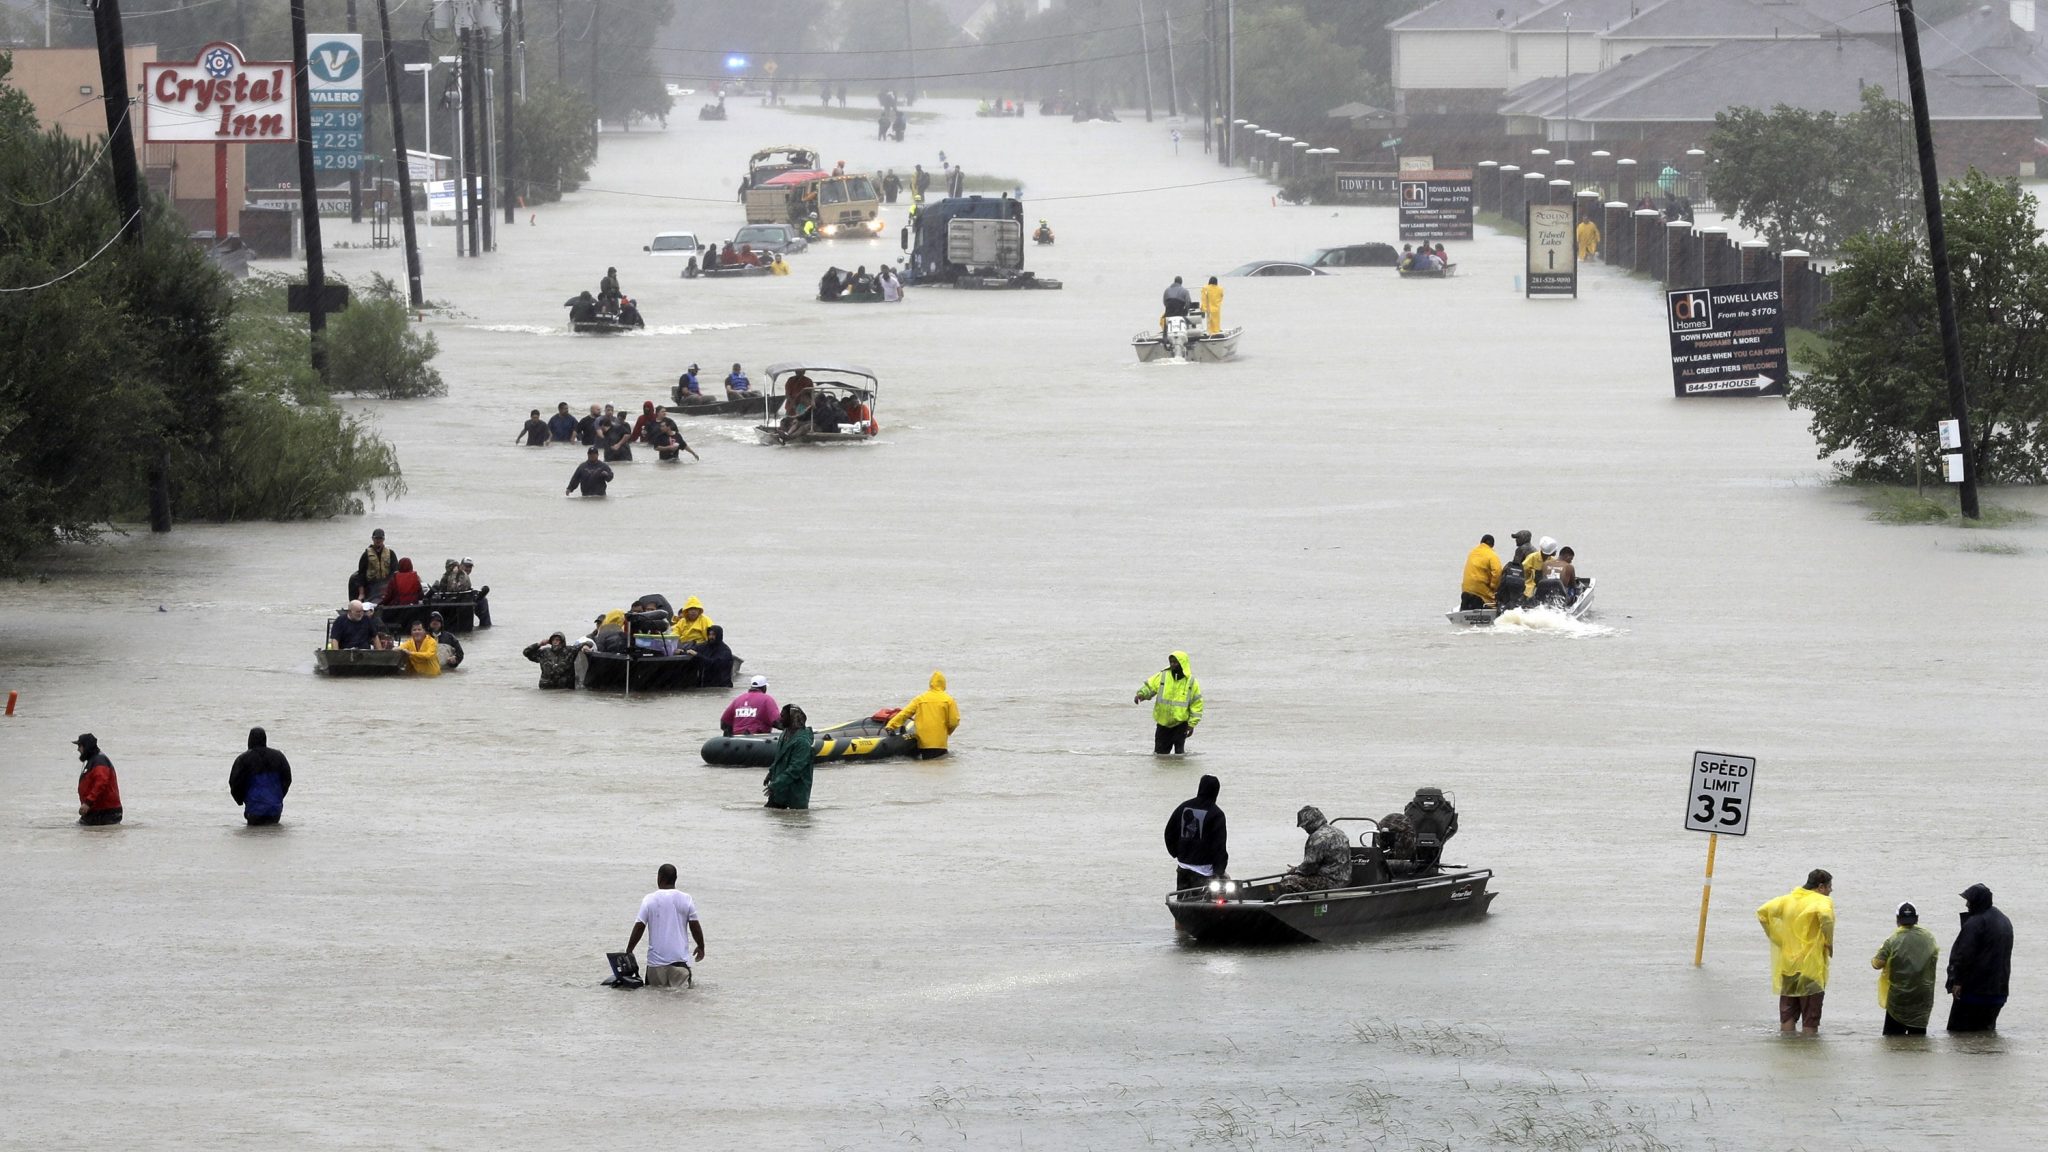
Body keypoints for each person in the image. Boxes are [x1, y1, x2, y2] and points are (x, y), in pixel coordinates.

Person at [1758, 869, 1835, 1032]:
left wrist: (1779, 939)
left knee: (1788, 1015)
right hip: (1811, 967)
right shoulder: (1822, 901)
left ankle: (1787, 1049)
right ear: (1821, 887)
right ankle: (1808, 1054)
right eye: (1829, 887)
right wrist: (1829, 942)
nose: (1831, 891)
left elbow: (1762, 913)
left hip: (1788, 965)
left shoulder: (1787, 899)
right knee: (1810, 1018)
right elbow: (1826, 917)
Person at [624, 864, 706, 988]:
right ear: (675, 878)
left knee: (655, 1002)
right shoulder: (686, 899)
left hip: (655, 965)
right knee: (682, 1003)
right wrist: (701, 946)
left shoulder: (649, 899)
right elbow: (695, 926)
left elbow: (639, 926)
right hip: (679, 963)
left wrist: (629, 951)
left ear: (659, 878)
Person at [1946, 883, 2014, 1032]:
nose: (1966, 904)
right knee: (1985, 1035)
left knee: (1958, 1037)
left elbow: (1964, 955)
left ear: (1976, 902)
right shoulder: (2004, 920)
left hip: (1974, 992)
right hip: (1999, 992)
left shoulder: (1975, 923)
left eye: (1969, 901)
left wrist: (1957, 982)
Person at [1871, 902, 1940, 1035]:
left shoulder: (1892, 940)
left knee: (1893, 1040)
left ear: (1897, 919)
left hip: (1899, 997)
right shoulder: (1929, 937)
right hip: (1923, 995)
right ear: (1917, 918)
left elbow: (1877, 964)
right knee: (1919, 1039)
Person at [1164, 774, 1228, 892]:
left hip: (1183, 866)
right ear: (1216, 792)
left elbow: (1169, 833)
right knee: (1207, 902)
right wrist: (1220, 871)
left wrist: (1176, 853)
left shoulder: (1183, 807)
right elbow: (1219, 846)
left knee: (1183, 899)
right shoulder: (1216, 814)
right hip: (1204, 871)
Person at [1135, 651, 1202, 755]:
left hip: (1181, 724)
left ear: (1183, 664)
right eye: (1171, 662)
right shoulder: (1163, 676)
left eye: (1176, 662)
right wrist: (1141, 694)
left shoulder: (1191, 682)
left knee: (1179, 756)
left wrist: (1192, 725)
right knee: (1160, 755)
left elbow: (1196, 704)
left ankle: (1179, 771)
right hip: (1163, 723)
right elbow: (1150, 688)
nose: (1173, 664)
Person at [884, 671, 960, 759]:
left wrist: (891, 725)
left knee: (925, 764)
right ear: (944, 684)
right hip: (939, 742)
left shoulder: (920, 699)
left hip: (922, 742)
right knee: (939, 766)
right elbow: (954, 721)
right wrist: (948, 731)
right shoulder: (948, 700)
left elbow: (905, 713)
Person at [228, 726, 292, 826]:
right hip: (275, 810)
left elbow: (235, 783)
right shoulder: (279, 756)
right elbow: (287, 779)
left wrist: (240, 801)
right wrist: (278, 797)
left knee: (254, 837)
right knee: (272, 834)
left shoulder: (243, 759)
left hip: (254, 811)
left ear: (249, 740)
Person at [1279, 806, 1352, 894]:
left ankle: (1304, 901)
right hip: (1344, 880)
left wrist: (1295, 870)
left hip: (1330, 882)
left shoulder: (1318, 837)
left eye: (1304, 826)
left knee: (1287, 882)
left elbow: (1310, 865)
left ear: (1311, 822)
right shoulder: (1338, 832)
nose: (1305, 829)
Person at [764, 705, 816, 809]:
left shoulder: (802, 742)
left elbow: (795, 769)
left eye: (783, 716)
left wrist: (775, 785)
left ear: (792, 718)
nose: (780, 719)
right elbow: (778, 758)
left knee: (794, 819)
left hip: (795, 794)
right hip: (779, 792)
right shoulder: (784, 734)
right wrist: (770, 773)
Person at [74, 733, 122, 826]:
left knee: (84, 833)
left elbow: (101, 783)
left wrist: (88, 803)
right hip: (96, 811)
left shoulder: (99, 761)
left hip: (105, 812)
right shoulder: (94, 760)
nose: (78, 749)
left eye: (80, 746)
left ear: (86, 746)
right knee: (82, 832)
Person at [1459, 534, 1502, 611]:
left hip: (1466, 589)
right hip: (1480, 590)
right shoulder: (1492, 555)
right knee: (1495, 601)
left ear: (1481, 542)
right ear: (1492, 545)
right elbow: (1498, 572)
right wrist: (1494, 586)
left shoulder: (1472, 552)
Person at [354, 528, 396, 602]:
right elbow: (361, 574)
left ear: (383, 539)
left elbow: (395, 571)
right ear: (373, 539)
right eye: (376, 538)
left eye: (380, 538)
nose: (378, 540)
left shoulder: (390, 553)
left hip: (387, 586)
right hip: (371, 586)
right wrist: (361, 593)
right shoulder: (366, 554)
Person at [459, 557, 492, 627]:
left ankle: (485, 626)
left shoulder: (464, 576)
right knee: (483, 601)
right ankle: (486, 626)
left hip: (463, 599)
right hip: (459, 601)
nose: (468, 568)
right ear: (460, 565)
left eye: (470, 567)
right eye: (466, 566)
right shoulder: (458, 575)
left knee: (482, 599)